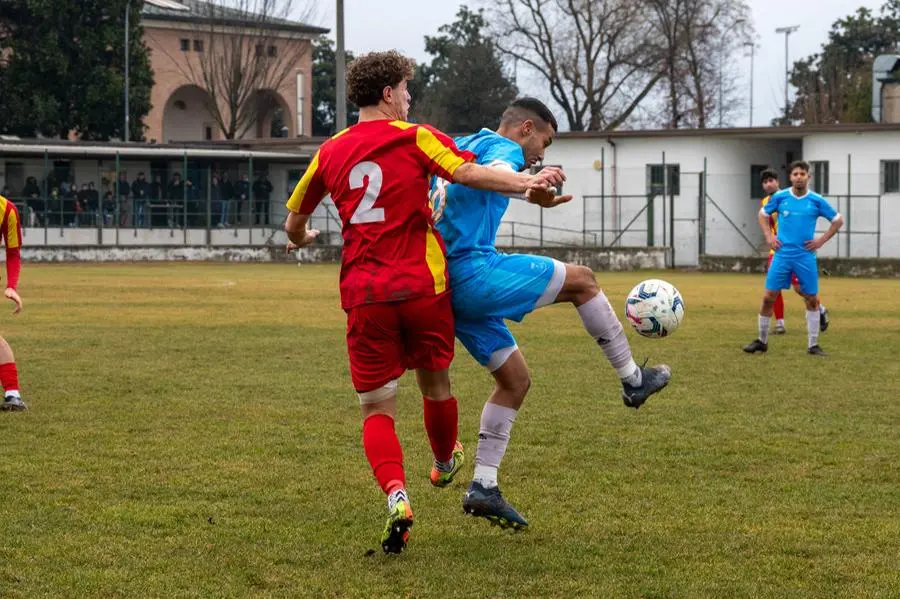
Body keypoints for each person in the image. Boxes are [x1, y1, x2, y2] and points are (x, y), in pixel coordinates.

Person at [283, 51, 564, 554]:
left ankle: (396, 497)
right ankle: (442, 462)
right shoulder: (416, 136)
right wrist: (527, 182)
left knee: (376, 408)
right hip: (424, 286)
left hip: (365, 293)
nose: (410, 99)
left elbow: (295, 220)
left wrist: (301, 238)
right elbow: (469, 174)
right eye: (407, 90)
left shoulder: (329, 151)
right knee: (436, 385)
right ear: (388, 94)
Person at [430, 98, 671, 530]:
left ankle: (483, 486)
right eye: (545, 140)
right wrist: (527, 181)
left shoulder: (461, 145)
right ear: (526, 128)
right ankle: (633, 380)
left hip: (445, 286)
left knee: (515, 381)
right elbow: (504, 172)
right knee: (584, 280)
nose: (543, 151)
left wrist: (532, 191)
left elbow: (477, 184)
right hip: (474, 272)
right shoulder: (503, 150)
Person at [743, 161, 843, 356]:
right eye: (795, 174)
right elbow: (762, 215)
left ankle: (813, 345)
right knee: (767, 298)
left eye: (802, 174)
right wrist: (769, 237)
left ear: (808, 177)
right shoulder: (780, 197)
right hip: (781, 256)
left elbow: (838, 220)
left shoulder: (816, 200)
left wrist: (821, 240)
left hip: (805, 257)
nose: (799, 177)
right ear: (790, 177)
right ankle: (762, 341)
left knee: (812, 300)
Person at [758, 168, 829, 335]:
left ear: (778, 182)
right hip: (777, 251)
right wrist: (770, 238)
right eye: (765, 182)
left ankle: (820, 309)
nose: (769, 184)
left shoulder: (787, 197)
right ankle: (780, 323)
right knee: (773, 290)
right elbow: (765, 221)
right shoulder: (765, 202)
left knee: (798, 288)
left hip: (796, 251)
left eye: (771, 180)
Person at [0, 193, 25, 411]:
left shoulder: (7, 210)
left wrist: (11, 286)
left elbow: (13, 252)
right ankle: (13, 394)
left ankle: (13, 394)